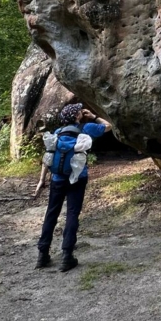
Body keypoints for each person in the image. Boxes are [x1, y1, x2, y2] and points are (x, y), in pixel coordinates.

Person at [32, 102, 111, 272]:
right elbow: (108, 126)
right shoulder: (86, 128)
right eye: (79, 111)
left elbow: (48, 157)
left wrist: (41, 180)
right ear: (76, 116)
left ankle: (42, 255)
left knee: (51, 213)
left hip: (57, 179)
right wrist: (94, 117)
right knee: (72, 214)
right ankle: (67, 256)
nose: (81, 113)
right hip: (78, 179)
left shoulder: (57, 133)